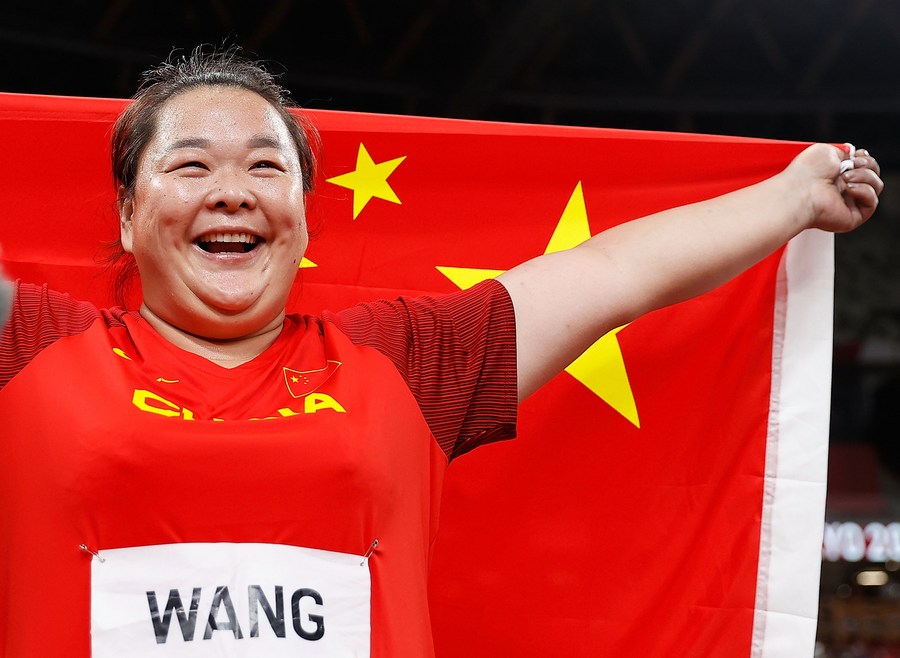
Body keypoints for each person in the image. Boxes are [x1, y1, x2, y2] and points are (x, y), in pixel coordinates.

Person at [0, 47, 883, 657]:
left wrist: (793, 198)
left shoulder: (406, 361)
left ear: (303, 217)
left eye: (267, 167)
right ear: (128, 216)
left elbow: (613, 272)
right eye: (191, 166)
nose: (232, 192)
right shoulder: (29, 346)